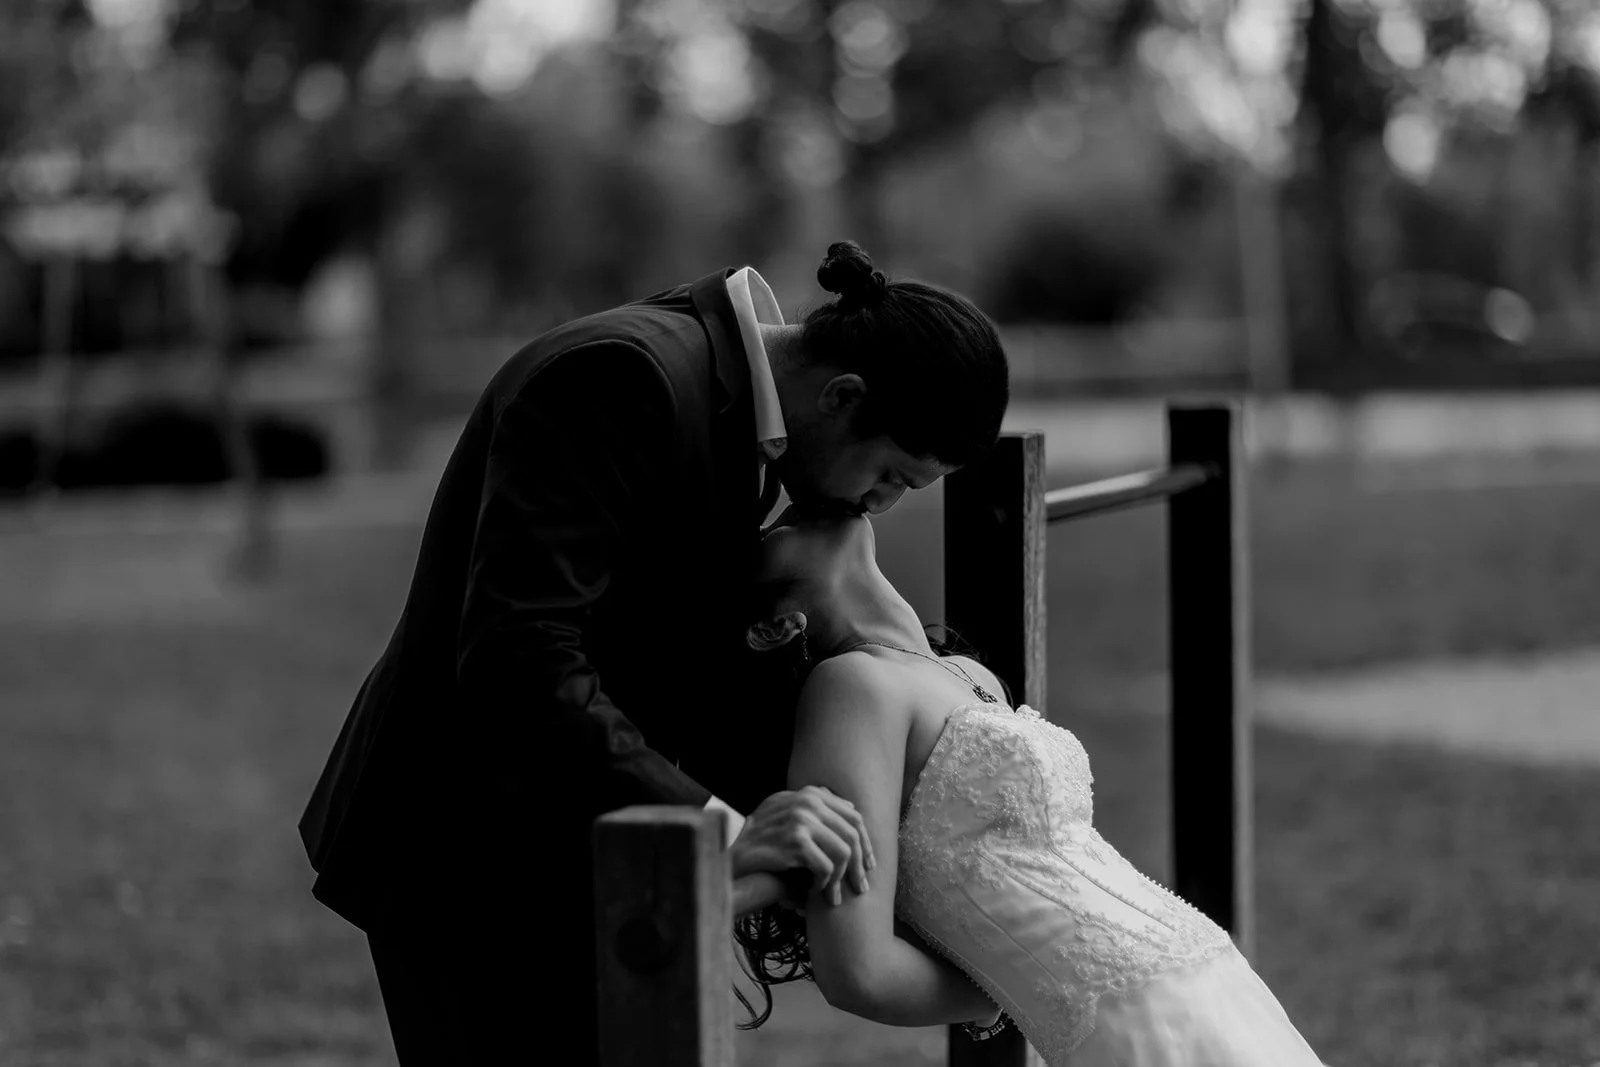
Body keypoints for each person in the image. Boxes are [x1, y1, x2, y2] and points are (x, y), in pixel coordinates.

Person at [296, 241, 1011, 1064]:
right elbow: (519, 657)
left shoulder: (731, 400)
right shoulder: (620, 376)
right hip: (474, 843)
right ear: (842, 395)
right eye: (893, 475)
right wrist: (714, 829)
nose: (878, 505)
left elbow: (641, 623)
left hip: (571, 838)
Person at [737, 511, 1326, 1066]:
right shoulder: (851, 689)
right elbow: (858, 970)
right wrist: (1022, 990)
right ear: (773, 628)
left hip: (1211, 974)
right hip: (1126, 1016)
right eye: (769, 530)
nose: (788, 511)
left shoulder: (968, 677)